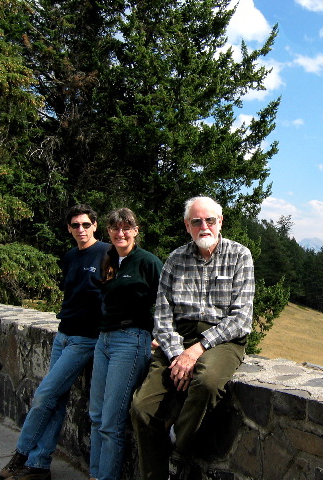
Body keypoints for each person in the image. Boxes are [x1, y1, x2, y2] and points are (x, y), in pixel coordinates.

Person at [130, 196, 255, 480]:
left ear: (220, 222)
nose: (204, 226)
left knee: (208, 382)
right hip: (178, 337)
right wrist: (177, 355)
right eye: (196, 221)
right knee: (141, 409)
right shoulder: (175, 259)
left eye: (210, 220)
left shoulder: (239, 255)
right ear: (187, 225)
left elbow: (241, 318)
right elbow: (162, 316)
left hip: (223, 339)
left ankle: (178, 445)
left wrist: (197, 349)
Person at [0, 205, 110, 480]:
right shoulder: (71, 256)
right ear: (69, 229)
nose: (81, 230)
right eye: (75, 225)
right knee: (56, 400)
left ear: (95, 225)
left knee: (44, 395)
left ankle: (21, 455)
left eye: (86, 224)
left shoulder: (108, 253)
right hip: (63, 334)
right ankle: (38, 465)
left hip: (86, 338)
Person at [88, 208, 163, 480]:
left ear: (136, 231)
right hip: (104, 340)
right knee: (96, 415)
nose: (121, 233)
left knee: (111, 422)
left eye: (127, 227)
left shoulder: (147, 262)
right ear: (108, 231)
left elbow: (168, 302)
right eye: (115, 228)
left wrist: (159, 336)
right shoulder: (108, 260)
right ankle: (96, 474)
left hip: (130, 342)